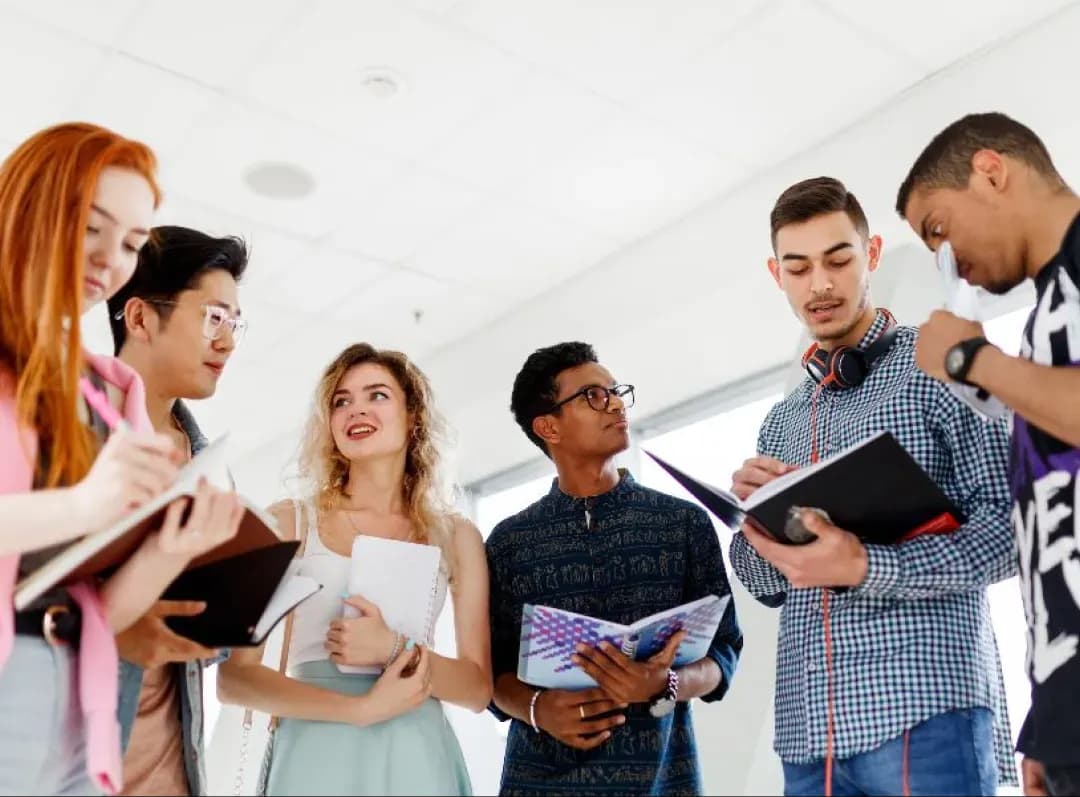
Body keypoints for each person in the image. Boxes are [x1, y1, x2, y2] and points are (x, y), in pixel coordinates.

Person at [728, 176, 1018, 796]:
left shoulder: (947, 362)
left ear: (874, 254)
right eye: (798, 268)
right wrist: (753, 523)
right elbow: (763, 585)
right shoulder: (781, 420)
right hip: (809, 737)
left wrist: (864, 565)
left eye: (839, 259)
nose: (821, 284)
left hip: (925, 713)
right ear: (777, 275)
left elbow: (1013, 534)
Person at [0, 122, 243, 795]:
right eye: (92, 228)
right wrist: (81, 504)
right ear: (30, 205)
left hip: (81, 710)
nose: (110, 259)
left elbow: (102, 604)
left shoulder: (110, 394)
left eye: (133, 244)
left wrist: (173, 543)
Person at [895, 112, 1080, 797]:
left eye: (938, 228)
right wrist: (1048, 718)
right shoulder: (1045, 326)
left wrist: (971, 358)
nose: (948, 261)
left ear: (991, 171)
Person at [217, 342, 489, 795]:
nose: (356, 410)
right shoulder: (287, 522)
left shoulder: (457, 537)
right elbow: (234, 679)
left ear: (414, 416)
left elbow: (476, 688)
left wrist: (395, 648)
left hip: (415, 750)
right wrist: (359, 710)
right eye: (341, 401)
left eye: (377, 395)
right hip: (315, 749)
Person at [487, 341, 743, 796]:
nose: (616, 404)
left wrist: (666, 682)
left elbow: (724, 653)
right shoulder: (509, 542)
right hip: (539, 782)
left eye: (615, 390)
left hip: (662, 779)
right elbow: (492, 676)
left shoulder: (683, 523)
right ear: (548, 427)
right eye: (593, 395)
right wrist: (537, 709)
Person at [107, 225, 250, 796]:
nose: (229, 341)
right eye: (214, 318)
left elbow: (197, 648)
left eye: (235, 324)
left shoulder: (212, 469)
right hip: (66, 763)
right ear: (140, 319)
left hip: (173, 769)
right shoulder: (66, 440)